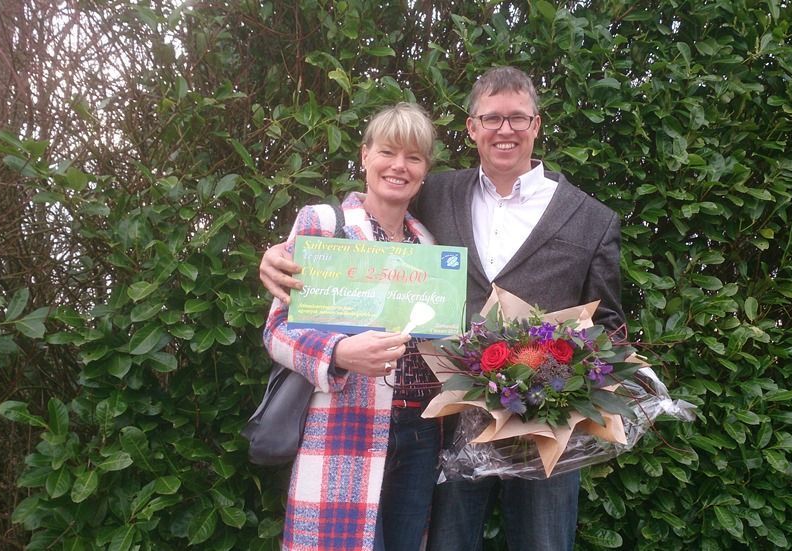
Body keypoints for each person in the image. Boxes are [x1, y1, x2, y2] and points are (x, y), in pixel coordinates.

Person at [260, 67, 626, 551]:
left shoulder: (593, 219)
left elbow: (608, 330)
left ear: (536, 125)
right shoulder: (435, 196)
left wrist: (564, 388)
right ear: (472, 127)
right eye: (491, 118)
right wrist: (275, 258)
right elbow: (349, 241)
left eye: (518, 118)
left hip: (548, 435)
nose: (505, 130)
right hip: (447, 426)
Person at [263, 102, 443, 551]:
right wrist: (339, 354)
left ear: (424, 171)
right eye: (387, 152)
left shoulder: (429, 243)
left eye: (414, 157)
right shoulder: (325, 224)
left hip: (421, 431)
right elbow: (277, 331)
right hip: (346, 424)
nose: (399, 166)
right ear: (364, 156)